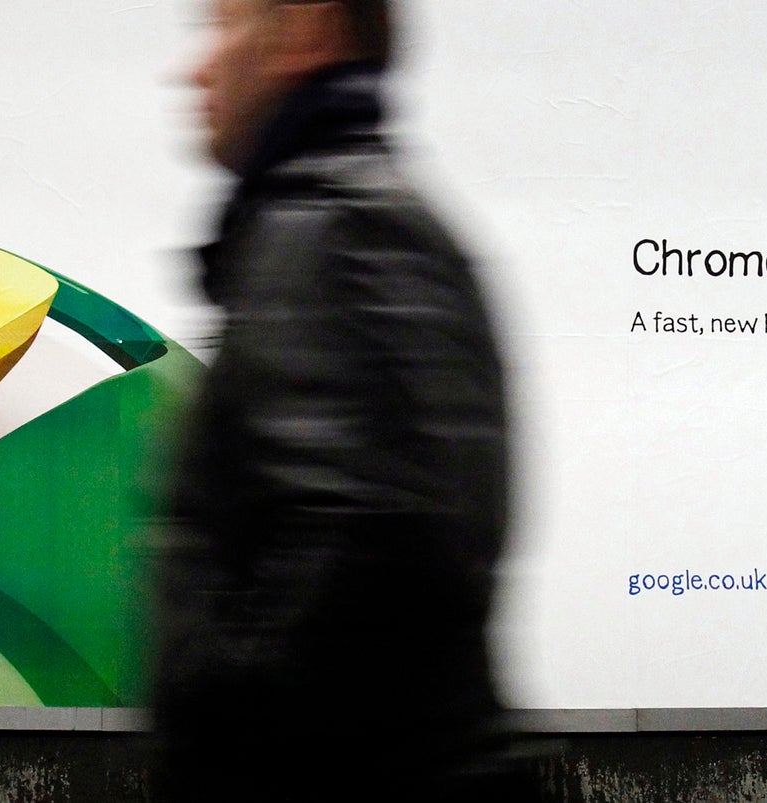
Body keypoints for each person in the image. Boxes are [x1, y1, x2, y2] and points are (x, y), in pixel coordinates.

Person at [152, 0, 523, 800]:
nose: (195, 67)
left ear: (305, 31)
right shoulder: (324, 226)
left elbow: (370, 562)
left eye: (223, 27)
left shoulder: (340, 232)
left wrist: (213, 721)